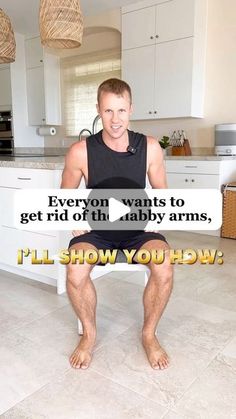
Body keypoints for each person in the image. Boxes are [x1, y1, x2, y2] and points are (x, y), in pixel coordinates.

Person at [61, 78, 173, 370]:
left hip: (139, 231)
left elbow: (163, 192)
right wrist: (73, 218)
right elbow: (64, 195)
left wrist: (158, 218)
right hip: (97, 232)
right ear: (98, 109)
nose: (115, 120)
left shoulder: (149, 147)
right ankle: (89, 335)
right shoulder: (80, 151)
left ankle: (148, 335)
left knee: (164, 265)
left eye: (121, 110)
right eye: (108, 111)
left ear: (131, 109)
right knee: (74, 267)